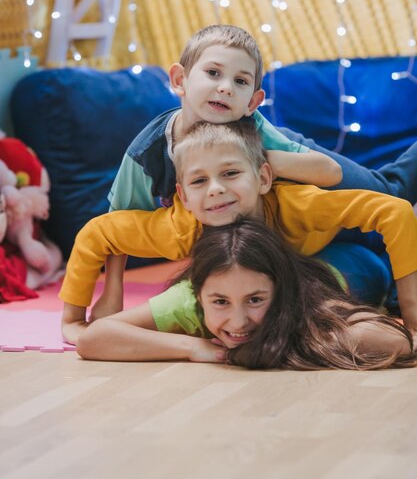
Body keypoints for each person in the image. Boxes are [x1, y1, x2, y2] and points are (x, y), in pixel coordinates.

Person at [104, 24, 417, 311]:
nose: (225, 87)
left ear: (252, 102)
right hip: (294, 228)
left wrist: (260, 162)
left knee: (389, 195)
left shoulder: (252, 126)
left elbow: (330, 173)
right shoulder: (148, 154)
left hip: (295, 163)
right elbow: (116, 224)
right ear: (179, 79)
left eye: (239, 81)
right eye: (213, 73)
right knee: (340, 251)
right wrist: (111, 293)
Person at [59, 120, 417, 345]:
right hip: (304, 245)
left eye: (228, 176)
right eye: (200, 182)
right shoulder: (176, 229)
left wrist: (411, 313)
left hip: (281, 158)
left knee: (393, 190)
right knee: (365, 264)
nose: (214, 189)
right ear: (181, 195)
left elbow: (393, 212)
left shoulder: (296, 201)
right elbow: (97, 234)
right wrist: (78, 315)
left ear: (263, 179)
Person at [76, 219, 417, 370]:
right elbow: (95, 338)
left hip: (362, 262)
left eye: (256, 300)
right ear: (198, 295)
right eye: (220, 302)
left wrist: (285, 341)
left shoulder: (306, 299)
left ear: (280, 291)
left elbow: (401, 341)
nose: (238, 322)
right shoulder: (188, 299)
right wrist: (194, 347)